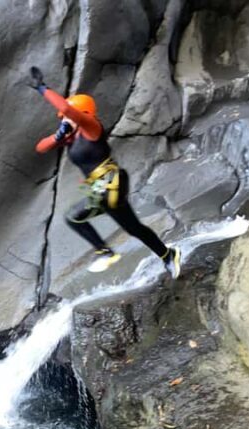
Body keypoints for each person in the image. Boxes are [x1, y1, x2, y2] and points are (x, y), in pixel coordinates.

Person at [29, 66, 181, 278]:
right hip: (101, 188)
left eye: (67, 117)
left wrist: (43, 89)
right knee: (128, 227)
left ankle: (105, 253)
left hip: (112, 182)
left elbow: (69, 109)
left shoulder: (92, 128)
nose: (64, 119)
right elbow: (40, 148)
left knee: (82, 215)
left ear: (83, 114)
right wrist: (58, 135)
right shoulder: (70, 139)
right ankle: (168, 255)